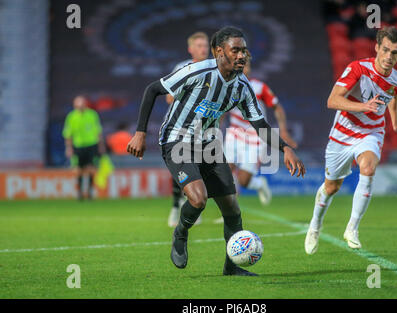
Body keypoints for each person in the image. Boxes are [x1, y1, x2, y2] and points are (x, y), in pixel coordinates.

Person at [127, 26, 305, 276]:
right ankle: (180, 232)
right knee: (198, 199)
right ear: (219, 51)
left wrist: (285, 148)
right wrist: (140, 132)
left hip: (209, 145)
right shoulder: (198, 71)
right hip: (177, 140)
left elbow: (259, 124)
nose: (242, 55)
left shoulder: (243, 86)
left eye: (244, 50)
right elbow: (152, 90)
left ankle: (232, 268)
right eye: (236, 50)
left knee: (231, 207)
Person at [304, 26, 397, 254]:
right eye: (385, 50)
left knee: (368, 166)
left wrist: (394, 122)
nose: (388, 57)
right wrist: (364, 106)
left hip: (371, 132)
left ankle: (352, 228)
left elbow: (393, 95)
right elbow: (332, 100)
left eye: (394, 52)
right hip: (342, 134)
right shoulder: (358, 69)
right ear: (377, 48)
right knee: (332, 187)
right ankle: (315, 225)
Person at [224, 56, 297, 205]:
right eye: (242, 66)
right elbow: (221, 111)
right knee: (226, 169)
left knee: (244, 180)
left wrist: (283, 129)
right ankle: (230, 209)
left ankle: (259, 184)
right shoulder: (227, 87)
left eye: (247, 65)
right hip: (235, 132)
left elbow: (277, 107)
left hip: (255, 136)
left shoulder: (259, 87)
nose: (245, 69)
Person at [167, 31, 210, 228]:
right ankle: (176, 205)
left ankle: (193, 203)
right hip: (181, 127)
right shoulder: (182, 68)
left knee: (200, 168)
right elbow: (169, 97)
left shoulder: (214, 69)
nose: (203, 48)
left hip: (204, 128)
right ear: (190, 49)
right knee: (181, 169)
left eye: (205, 45)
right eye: (199, 45)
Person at [63, 95, 105, 200]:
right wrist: (68, 148)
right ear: (74, 105)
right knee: (78, 169)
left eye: (81, 104)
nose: (80, 106)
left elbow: (98, 131)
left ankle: (90, 191)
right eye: (77, 104)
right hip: (78, 145)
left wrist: (100, 146)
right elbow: (68, 134)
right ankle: (80, 192)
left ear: (85, 104)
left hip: (91, 144)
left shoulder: (92, 114)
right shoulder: (71, 116)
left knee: (91, 169)